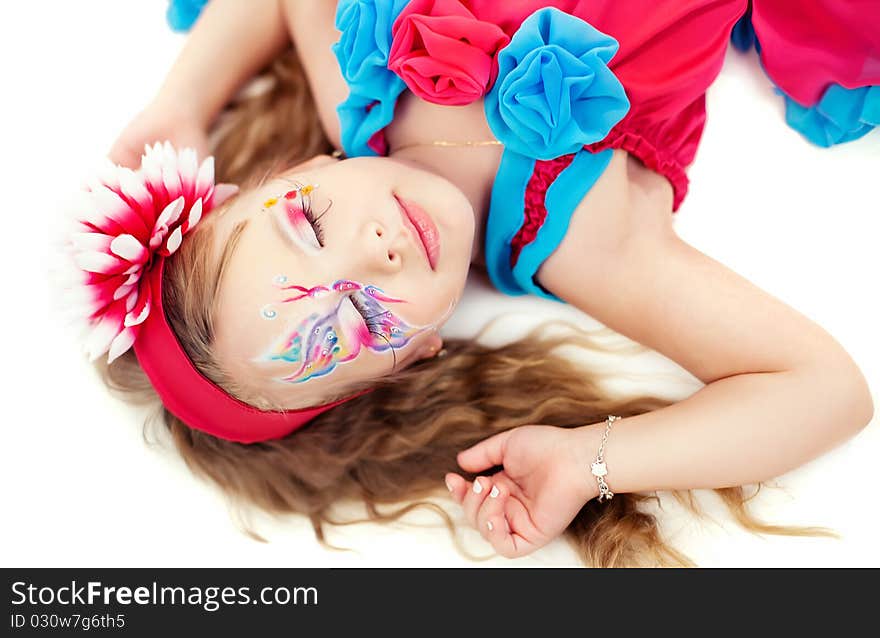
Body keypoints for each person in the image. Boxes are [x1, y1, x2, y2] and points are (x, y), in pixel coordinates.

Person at [72, 0, 875, 567]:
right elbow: (826, 389)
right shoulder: (580, 242)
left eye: (311, 224)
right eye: (351, 320)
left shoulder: (359, 80)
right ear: (416, 356)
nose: (373, 249)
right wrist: (590, 461)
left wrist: (181, 100)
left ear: (304, 168)